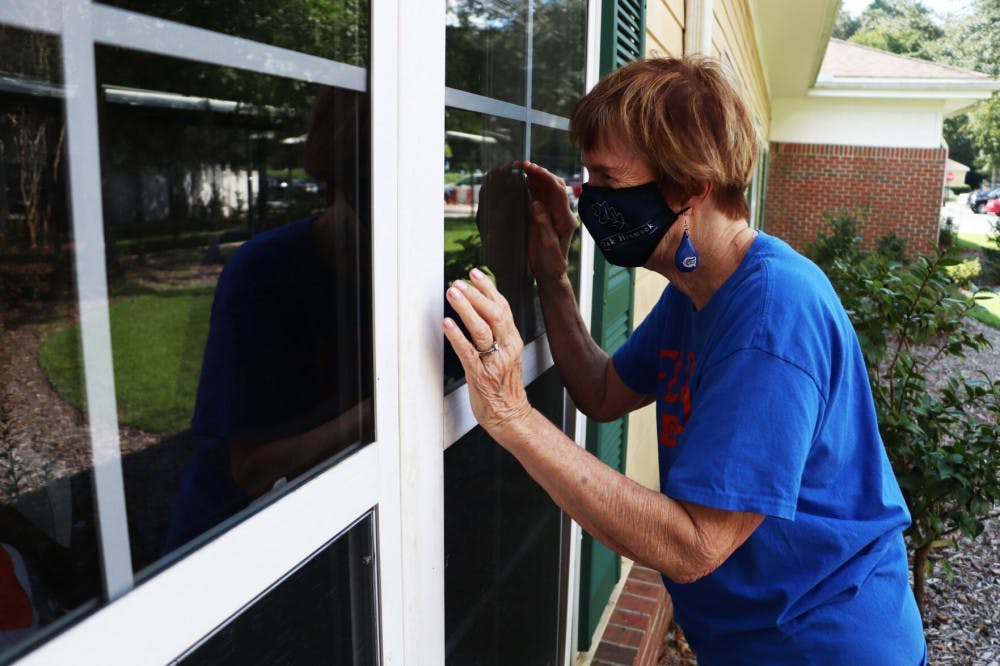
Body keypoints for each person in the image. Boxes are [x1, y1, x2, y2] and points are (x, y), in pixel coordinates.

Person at [442, 56, 927, 664]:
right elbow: (601, 390)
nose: (588, 199)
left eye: (607, 179)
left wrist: (512, 414)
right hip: (752, 637)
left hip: (818, 644)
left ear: (689, 187)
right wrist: (550, 275)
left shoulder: (773, 318)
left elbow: (695, 544)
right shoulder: (699, 289)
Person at [165, 87, 373, 550]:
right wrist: (381, 414)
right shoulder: (265, 272)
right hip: (231, 552)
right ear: (340, 165)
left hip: (337, 532)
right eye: (372, 159)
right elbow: (251, 470)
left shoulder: (399, 269)